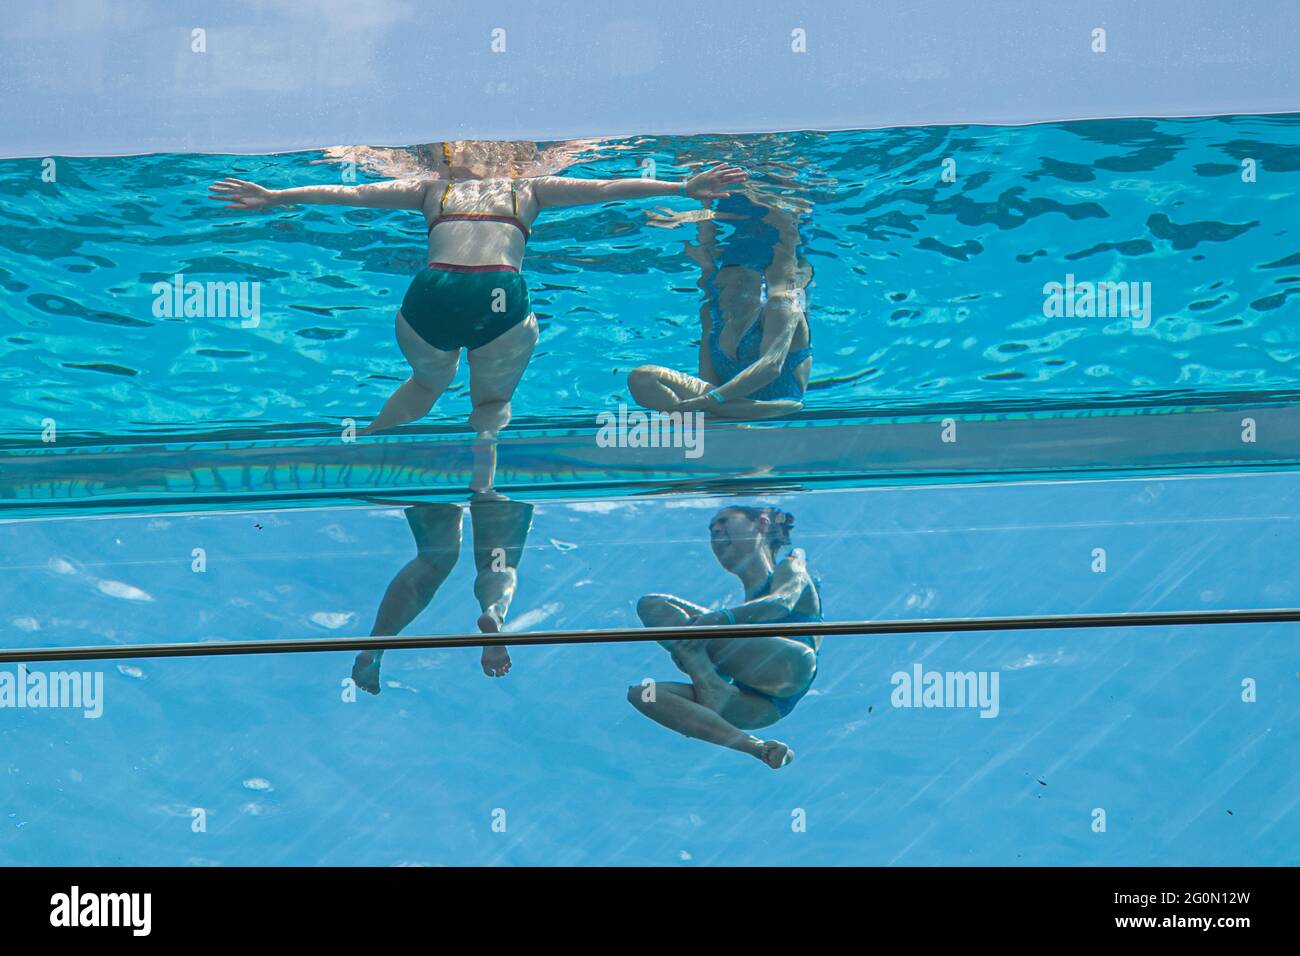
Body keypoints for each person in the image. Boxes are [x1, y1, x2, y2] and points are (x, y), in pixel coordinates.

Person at [209, 142, 747, 481]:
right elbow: (607, 188)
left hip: (433, 292)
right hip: (499, 291)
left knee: (425, 383)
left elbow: (350, 194)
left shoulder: (430, 188)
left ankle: (366, 443)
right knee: (490, 401)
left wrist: (277, 194)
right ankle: (482, 484)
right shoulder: (529, 187)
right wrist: (681, 186)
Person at [629, 505, 822, 768]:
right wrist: (701, 659)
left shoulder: (789, 566)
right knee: (644, 694)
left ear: (761, 524)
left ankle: (705, 673)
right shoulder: (743, 609)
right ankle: (758, 747)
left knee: (654, 607)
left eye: (723, 521)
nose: (716, 531)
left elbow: (781, 602)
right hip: (762, 707)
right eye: (711, 529)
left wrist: (715, 624)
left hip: (792, 663)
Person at [628, 187, 813, 420]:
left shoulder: (781, 304)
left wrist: (709, 401)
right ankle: (718, 419)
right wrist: (702, 208)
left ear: (759, 285)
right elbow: (708, 381)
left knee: (783, 266)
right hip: (731, 406)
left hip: (769, 403)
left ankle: (710, 416)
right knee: (643, 377)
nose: (733, 292)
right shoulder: (713, 311)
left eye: (743, 283)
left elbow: (771, 366)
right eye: (726, 287)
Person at [351, 492, 535, 694]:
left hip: (438, 464)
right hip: (498, 469)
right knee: (498, 562)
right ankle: (493, 613)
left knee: (434, 561)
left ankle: (376, 645)